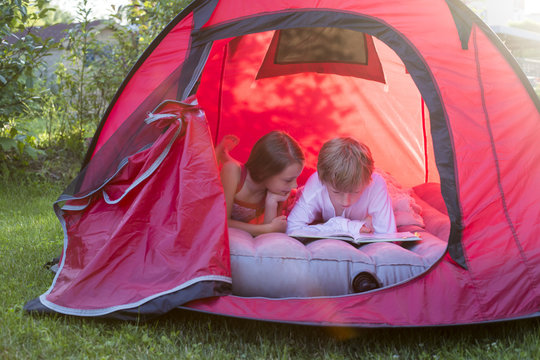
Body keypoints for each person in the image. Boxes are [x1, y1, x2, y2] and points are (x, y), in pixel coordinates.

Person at [286, 137, 396, 235]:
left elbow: (388, 235)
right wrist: (343, 225)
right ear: (323, 181)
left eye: (355, 191)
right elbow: (292, 228)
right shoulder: (318, 182)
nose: (345, 202)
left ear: (368, 181)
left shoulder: (375, 184)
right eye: (336, 192)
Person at [217, 131, 304, 236]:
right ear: (265, 172)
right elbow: (221, 221)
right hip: (230, 178)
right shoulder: (232, 171)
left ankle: (224, 155)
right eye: (288, 180)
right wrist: (267, 228)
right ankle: (221, 155)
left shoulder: (278, 191)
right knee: (222, 168)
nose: (295, 185)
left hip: (256, 177)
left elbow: (270, 235)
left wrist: (271, 202)